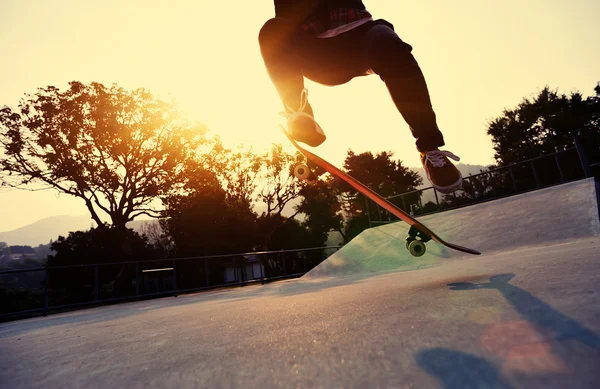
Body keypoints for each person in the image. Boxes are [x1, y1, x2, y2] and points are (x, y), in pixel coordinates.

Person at [258, 0, 463, 193]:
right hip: (315, 53)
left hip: (361, 38)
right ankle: (299, 113)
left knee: (387, 41)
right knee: (272, 31)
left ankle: (429, 147)